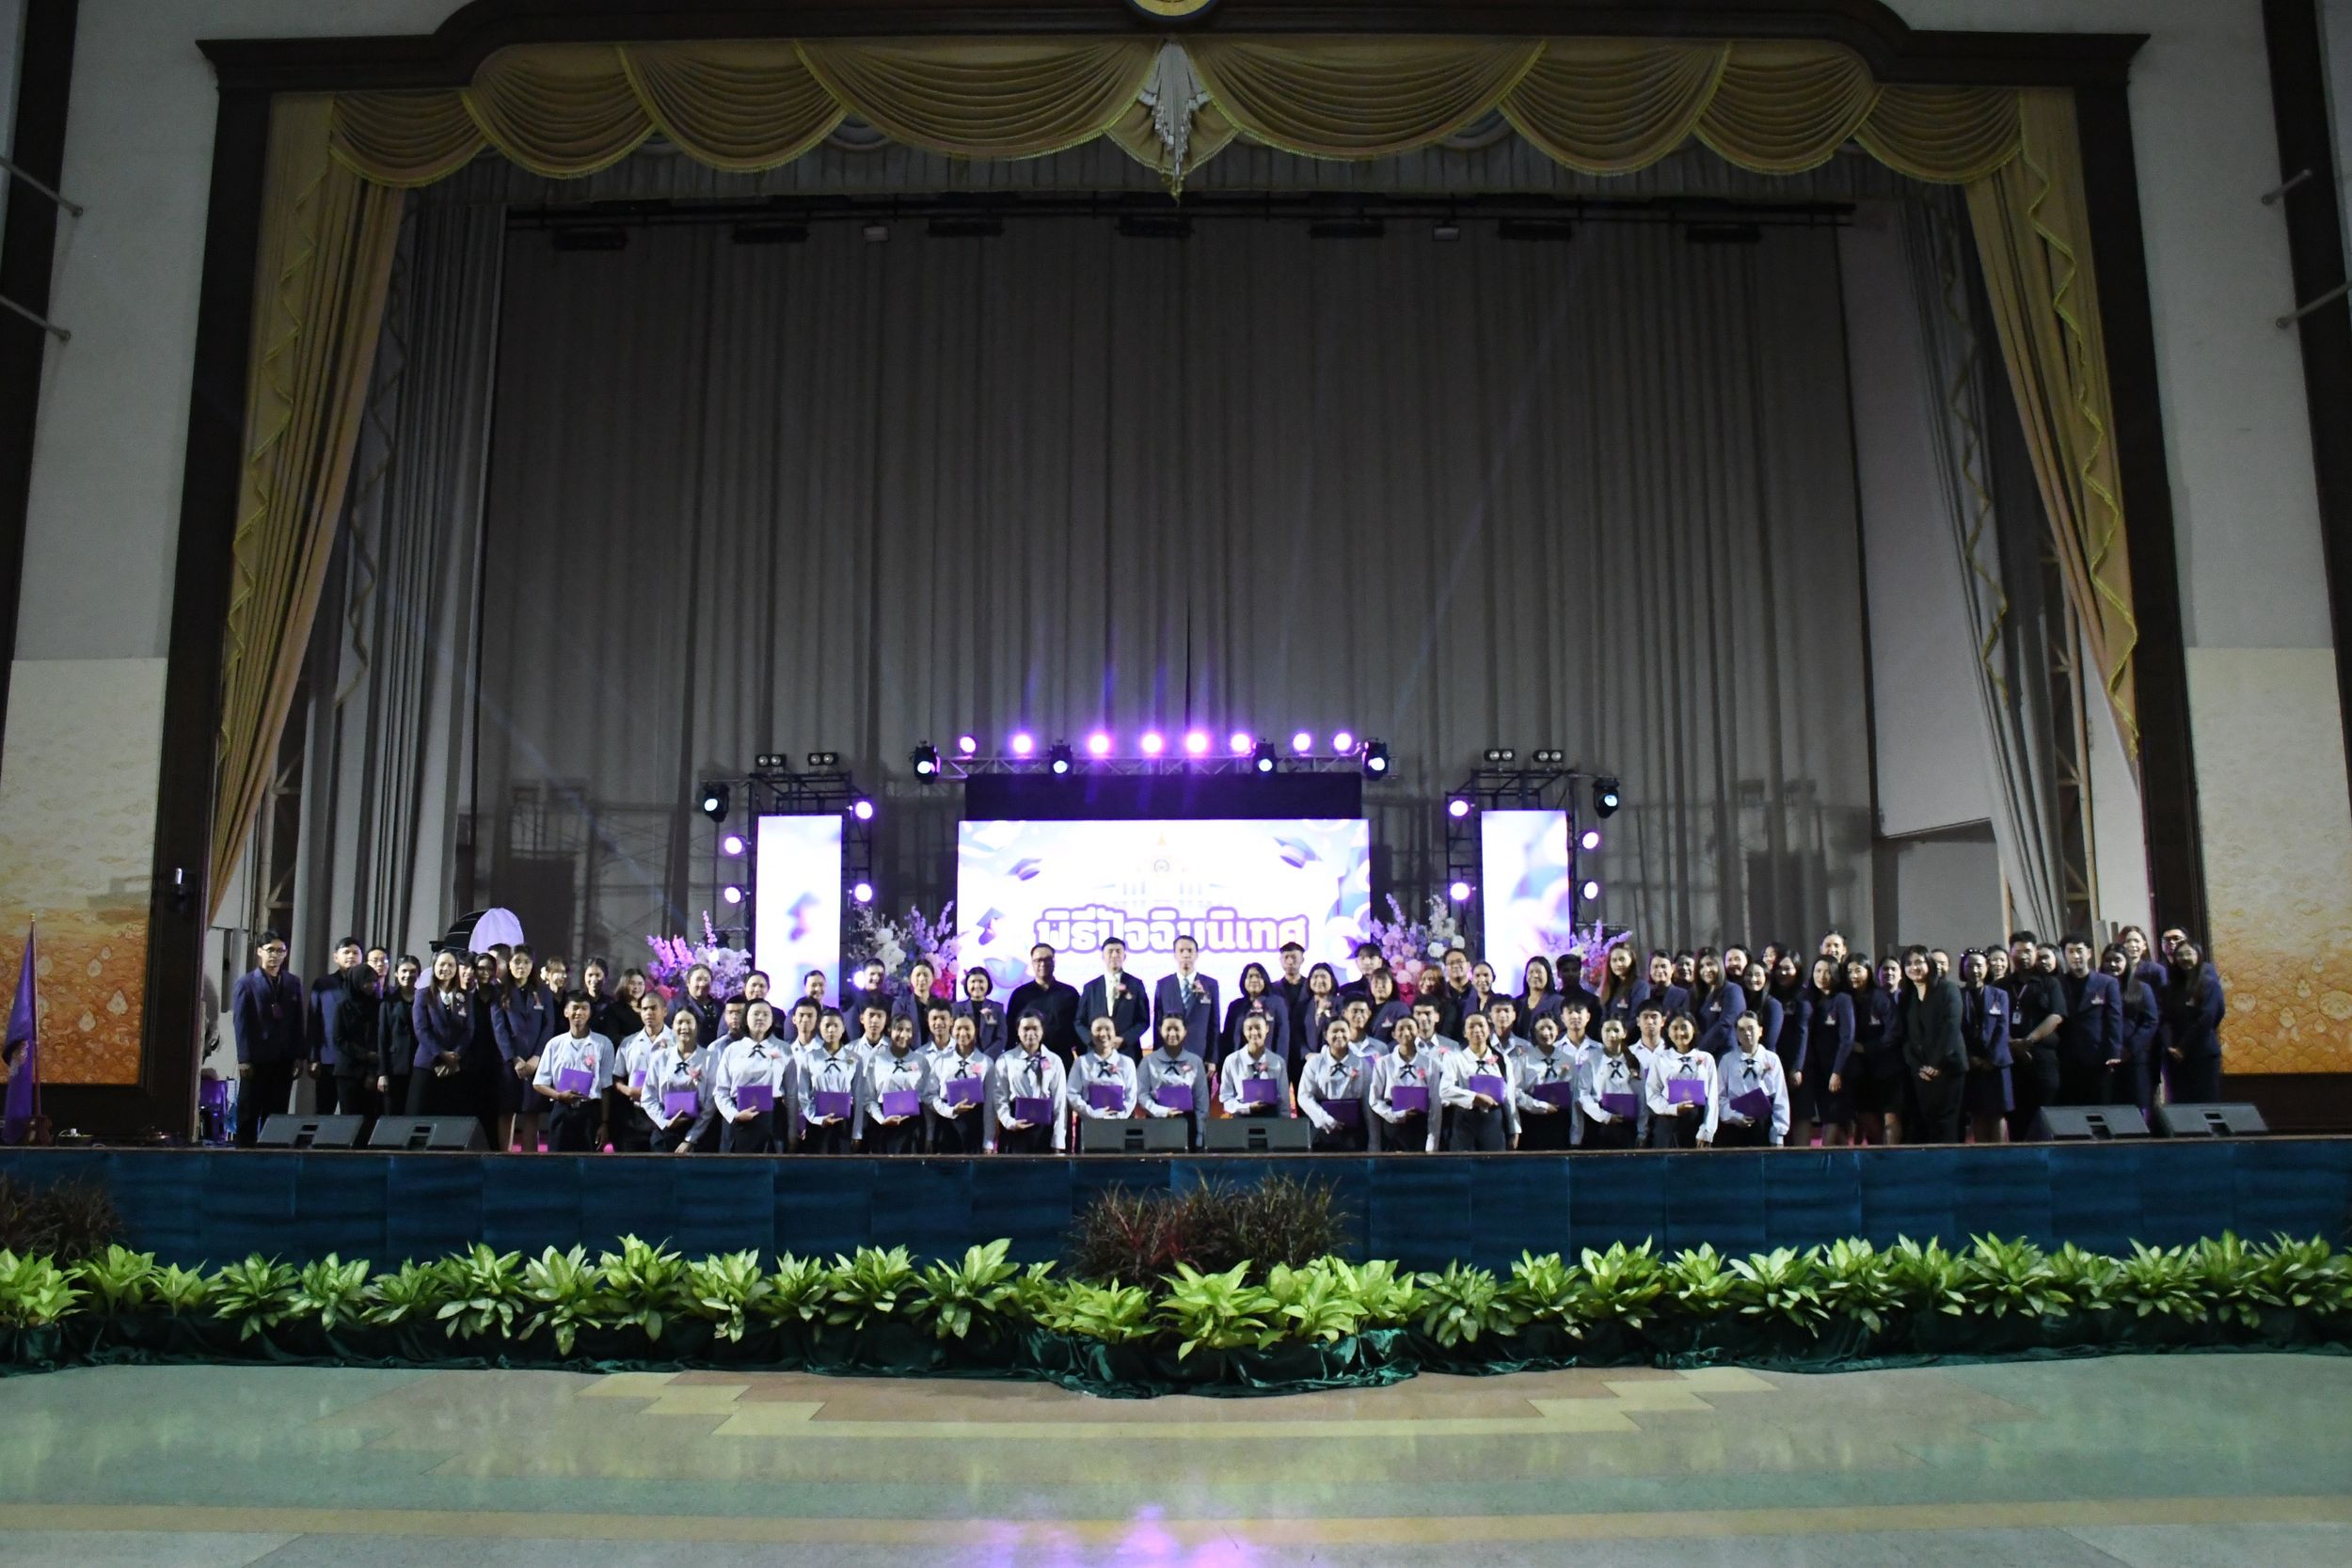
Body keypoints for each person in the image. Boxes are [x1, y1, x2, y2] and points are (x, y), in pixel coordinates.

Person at [230, 929, 306, 1145]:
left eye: (280, 951)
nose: (275, 955)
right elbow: (241, 1024)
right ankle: (244, 1153)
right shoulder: (246, 983)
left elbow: (297, 1021)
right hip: (256, 1058)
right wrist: (244, 1059)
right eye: (270, 950)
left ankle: (273, 1153)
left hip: (283, 1058)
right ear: (259, 952)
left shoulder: (292, 982)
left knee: (277, 1113)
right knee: (249, 1110)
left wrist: (298, 1056)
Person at [2036, 937, 2122, 1107]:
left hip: (2097, 1055)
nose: (2075, 956)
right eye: (2070, 951)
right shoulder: (2056, 983)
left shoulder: (2107, 982)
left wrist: (2114, 1051)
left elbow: (2114, 1019)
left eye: (2079, 951)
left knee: (2100, 1107)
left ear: (2089, 953)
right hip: (2065, 1056)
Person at [1896, 944, 1967, 1144]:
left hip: (1948, 1068)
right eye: (1909, 963)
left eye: (1919, 962)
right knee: (1925, 1126)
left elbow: (1951, 1027)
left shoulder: (1947, 989)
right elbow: (1905, 1036)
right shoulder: (1907, 996)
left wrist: (1935, 1063)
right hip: (1921, 1071)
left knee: (1946, 1126)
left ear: (1929, 963)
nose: (1914, 967)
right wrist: (1917, 1066)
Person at [492, 945, 557, 1155]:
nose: (522, 966)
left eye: (526, 962)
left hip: (535, 1062)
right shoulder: (499, 991)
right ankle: (504, 1156)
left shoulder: (542, 991)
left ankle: (530, 1157)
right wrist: (514, 1059)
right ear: (509, 965)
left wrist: (537, 1057)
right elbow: (499, 1029)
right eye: (517, 961)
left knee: (532, 1112)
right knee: (507, 1110)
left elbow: (548, 1025)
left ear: (532, 965)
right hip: (510, 1062)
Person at [531, 991, 612, 1152]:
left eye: (584, 1008)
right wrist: (559, 1095)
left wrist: (604, 1123)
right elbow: (539, 1083)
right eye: (575, 1008)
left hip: (590, 1112)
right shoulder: (555, 1044)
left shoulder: (603, 1044)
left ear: (590, 1012)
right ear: (566, 1011)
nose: (579, 1012)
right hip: (562, 1110)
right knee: (558, 1162)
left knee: (590, 1162)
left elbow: (606, 1087)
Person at [715, 1000, 793, 1154]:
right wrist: (734, 1115)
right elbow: (720, 1091)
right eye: (755, 1014)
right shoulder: (732, 1050)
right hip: (737, 1118)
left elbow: (792, 1092)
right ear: (746, 1018)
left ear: (772, 1019)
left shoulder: (784, 1049)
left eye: (765, 1014)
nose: (760, 1018)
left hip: (772, 1119)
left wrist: (793, 1128)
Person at [992, 1012, 1069, 1153]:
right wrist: (1009, 1122)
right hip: (1015, 1124)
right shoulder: (1006, 1059)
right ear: (1018, 1031)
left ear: (1042, 1030)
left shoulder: (1054, 1060)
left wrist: (1058, 1140)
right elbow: (999, 1096)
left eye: (1035, 1028)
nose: (1031, 1033)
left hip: (1044, 1127)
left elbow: (1060, 1102)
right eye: (1026, 1029)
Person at [1710, 1013, 1790, 1148]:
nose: (1747, 1033)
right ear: (1736, 1033)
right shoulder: (1727, 1060)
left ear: (1760, 1031)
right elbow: (1719, 1096)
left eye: (1751, 1028)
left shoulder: (1771, 1059)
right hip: (1734, 1125)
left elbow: (1780, 1097)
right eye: (1741, 1029)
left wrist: (1778, 1133)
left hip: (1763, 1124)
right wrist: (1734, 1116)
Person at [1438, 1013, 1517, 1151]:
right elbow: (1444, 1090)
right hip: (1464, 1121)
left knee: (1494, 1163)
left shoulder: (1502, 1060)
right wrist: (1474, 1097)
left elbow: (1509, 1097)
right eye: (1471, 1026)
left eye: (1481, 1025)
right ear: (1464, 1033)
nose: (1477, 1030)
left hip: (1494, 1121)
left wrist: (1514, 1129)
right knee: (1463, 1163)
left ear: (1489, 1030)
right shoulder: (1455, 1058)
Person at [306, 936, 365, 1116]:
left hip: (357, 1060)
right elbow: (314, 1022)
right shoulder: (323, 984)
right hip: (328, 1059)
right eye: (346, 952)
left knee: (354, 1113)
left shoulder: (368, 984)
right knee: (324, 1110)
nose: (351, 956)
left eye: (355, 953)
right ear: (335, 957)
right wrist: (313, 1058)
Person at [641, 1008, 714, 1153]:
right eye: (679, 1022)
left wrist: (690, 1139)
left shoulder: (709, 1059)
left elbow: (710, 1104)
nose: (684, 1027)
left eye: (689, 1022)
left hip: (698, 1131)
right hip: (665, 1130)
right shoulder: (660, 1058)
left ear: (697, 1026)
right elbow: (647, 1097)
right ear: (672, 1026)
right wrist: (665, 1123)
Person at [2161, 940, 2226, 1101]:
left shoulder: (2209, 984)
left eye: (2188, 953)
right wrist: (2170, 1046)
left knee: (2205, 1103)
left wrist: (2183, 1048)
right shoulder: (2172, 988)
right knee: (2180, 1103)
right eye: (2180, 955)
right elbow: (2164, 1019)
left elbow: (2208, 1018)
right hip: (2175, 1057)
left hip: (2202, 1053)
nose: (2184, 958)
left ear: (2199, 955)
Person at [797, 1005, 866, 1154]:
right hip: (817, 1123)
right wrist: (815, 1119)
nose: (831, 1030)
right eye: (827, 1025)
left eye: (836, 1025)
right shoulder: (809, 1058)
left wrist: (857, 1133)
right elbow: (803, 1094)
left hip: (844, 1124)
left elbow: (859, 1097)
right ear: (819, 1027)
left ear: (843, 1028)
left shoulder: (854, 1059)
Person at [1959, 950, 2011, 1145]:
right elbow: (1956, 1030)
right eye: (1970, 966)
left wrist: (1992, 1059)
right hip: (1971, 1063)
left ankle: (2000, 1154)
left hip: (1997, 1063)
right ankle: (1981, 1154)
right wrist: (1969, 1057)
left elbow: (2002, 1028)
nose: (1975, 970)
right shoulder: (1957, 995)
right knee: (1977, 1113)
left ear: (1987, 967)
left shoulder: (2000, 994)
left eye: (1979, 965)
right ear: (1963, 969)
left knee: (1998, 1113)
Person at [609, 990, 673, 1153]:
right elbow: (616, 1077)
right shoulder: (629, 1042)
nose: (649, 1013)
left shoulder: (676, 1041)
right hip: (635, 1115)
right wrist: (628, 1090)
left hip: (665, 1112)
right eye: (645, 1009)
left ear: (665, 1011)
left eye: (653, 1008)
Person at [1802, 956, 1854, 1147]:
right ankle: (1848, 1159)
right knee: (1829, 1119)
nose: (1822, 976)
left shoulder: (1842, 999)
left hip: (1836, 1070)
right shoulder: (1810, 1000)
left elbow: (1847, 1038)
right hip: (1816, 1069)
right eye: (1818, 971)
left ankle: (1823, 1157)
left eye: (1827, 972)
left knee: (1833, 1118)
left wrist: (1837, 1072)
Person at [1644, 1014, 1717, 1149]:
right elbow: (1652, 1095)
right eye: (1675, 1028)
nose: (1680, 1033)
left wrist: (1707, 1129)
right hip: (1668, 1123)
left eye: (1684, 1027)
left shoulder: (1706, 1058)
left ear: (1693, 1029)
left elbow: (1713, 1097)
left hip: (1697, 1123)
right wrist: (1674, 1109)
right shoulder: (1660, 1059)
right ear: (1668, 1032)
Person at [2103, 943, 2159, 1116]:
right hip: (2105, 1058)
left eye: (2117, 960)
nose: (2112, 964)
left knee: (2136, 1108)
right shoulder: (2098, 987)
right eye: (2108, 960)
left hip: (2134, 1058)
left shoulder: (2141, 988)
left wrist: (2130, 1048)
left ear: (2126, 962)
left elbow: (2151, 1021)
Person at [1297, 1018, 1370, 1151]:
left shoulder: (1362, 1064)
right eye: (1335, 1031)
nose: (1339, 1035)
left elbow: (1367, 1101)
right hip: (1322, 1129)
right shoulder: (1314, 1063)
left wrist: (1374, 1140)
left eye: (1343, 1031)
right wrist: (1325, 1119)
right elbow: (1304, 1096)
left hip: (1354, 1130)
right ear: (1326, 1035)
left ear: (1350, 1034)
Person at [1368, 1013, 1438, 1151]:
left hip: (1419, 1124)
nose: (1406, 1033)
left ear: (1418, 1032)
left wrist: (1433, 1141)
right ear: (1394, 1034)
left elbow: (1435, 1103)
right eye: (1401, 1029)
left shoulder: (1429, 1063)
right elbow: (1374, 1100)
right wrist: (1394, 1115)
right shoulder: (1383, 1063)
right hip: (1392, 1123)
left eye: (1410, 1028)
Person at [1508, 1013, 1578, 1151]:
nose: (1546, 1033)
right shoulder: (1524, 1060)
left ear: (1557, 1030)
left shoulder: (1568, 1060)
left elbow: (1575, 1094)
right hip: (1532, 1119)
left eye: (1550, 1028)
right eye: (1541, 1029)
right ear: (1534, 1032)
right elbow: (1515, 1092)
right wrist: (1539, 1106)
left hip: (1560, 1120)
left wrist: (1576, 1132)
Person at [1136, 1016, 1209, 1148]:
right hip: (1157, 1122)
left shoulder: (1195, 1061)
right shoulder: (1148, 1061)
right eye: (1168, 1029)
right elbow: (1142, 1095)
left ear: (1185, 1031)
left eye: (1177, 1029)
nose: (1172, 1034)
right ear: (1160, 1030)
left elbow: (1201, 1101)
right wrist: (1162, 1111)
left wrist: (1200, 1134)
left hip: (1187, 1123)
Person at [866, 1015, 934, 1154]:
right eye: (899, 1029)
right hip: (884, 1123)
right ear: (890, 1030)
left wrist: (929, 1135)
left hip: (913, 1125)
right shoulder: (877, 1060)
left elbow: (927, 1099)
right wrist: (881, 1119)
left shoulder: (920, 1061)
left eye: (908, 1030)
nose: (903, 1035)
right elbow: (868, 1097)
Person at [328, 947, 383, 1122]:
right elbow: (339, 1039)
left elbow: (380, 1036)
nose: (371, 985)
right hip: (348, 1071)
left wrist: (372, 1068)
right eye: (366, 981)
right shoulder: (343, 1006)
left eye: (373, 981)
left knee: (371, 1120)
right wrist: (365, 1055)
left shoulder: (379, 1005)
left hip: (372, 1070)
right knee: (349, 1120)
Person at [1856, 956, 1906, 1145]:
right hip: (1868, 1068)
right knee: (1870, 1118)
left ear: (1901, 973)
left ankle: (1892, 1157)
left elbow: (1895, 1032)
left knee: (1892, 1117)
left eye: (1893, 969)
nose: (1889, 973)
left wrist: (1867, 1048)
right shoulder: (1867, 998)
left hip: (1895, 1068)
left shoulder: (1906, 997)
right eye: (1885, 969)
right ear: (1876, 974)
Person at [929, 1014, 995, 1153]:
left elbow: (990, 1105)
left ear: (975, 1030)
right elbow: (929, 1095)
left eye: (967, 1028)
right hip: (947, 1124)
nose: (963, 1033)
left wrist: (988, 1141)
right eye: (958, 1028)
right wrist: (950, 1110)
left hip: (974, 1126)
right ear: (952, 1030)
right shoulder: (942, 1061)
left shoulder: (986, 1063)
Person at [1005, 944, 1084, 1061]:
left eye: (1047, 960)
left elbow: (1078, 1026)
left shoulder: (1069, 993)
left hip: (1063, 1057)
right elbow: (1010, 1028)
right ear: (1032, 963)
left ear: (1054, 962)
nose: (1043, 964)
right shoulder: (1020, 994)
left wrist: (1082, 1056)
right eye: (1038, 960)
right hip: (1028, 1057)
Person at [1575, 1021, 1646, 1150]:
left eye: (1616, 1030)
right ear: (1601, 1033)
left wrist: (1642, 1130)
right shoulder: (1592, 1060)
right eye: (1607, 1030)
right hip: (1599, 1125)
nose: (1612, 1035)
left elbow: (1642, 1098)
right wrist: (1604, 1116)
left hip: (1627, 1126)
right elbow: (1582, 1094)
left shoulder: (1634, 1062)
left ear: (1624, 1033)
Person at [1077, 940, 1152, 1057]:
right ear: (1103, 956)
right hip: (1096, 1053)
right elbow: (1079, 1021)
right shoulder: (1090, 988)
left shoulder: (1136, 985)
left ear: (1124, 956)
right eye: (1110, 951)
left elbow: (1144, 1020)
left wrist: (1124, 1039)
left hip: (1128, 1052)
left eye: (1118, 951)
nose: (1114, 955)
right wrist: (1093, 1040)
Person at [1069, 1016, 1140, 1131]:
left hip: (1120, 1124)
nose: (1102, 1034)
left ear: (1115, 1033)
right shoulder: (1081, 1062)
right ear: (1091, 1035)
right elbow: (1072, 1094)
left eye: (1108, 1029)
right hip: (1088, 1124)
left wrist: (1117, 1118)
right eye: (1098, 1029)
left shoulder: (1126, 1062)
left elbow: (1131, 1095)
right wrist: (1092, 1114)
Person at [1152, 936, 1221, 1050]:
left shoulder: (1210, 984)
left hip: (1199, 1051)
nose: (1186, 955)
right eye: (1181, 951)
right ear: (1175, 955)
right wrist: (1157, 1054)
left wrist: (1213, 1057)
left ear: (1197, 954)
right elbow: (1158, 1023)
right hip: (1170, 1051)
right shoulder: (1163, 985)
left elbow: (1214, 1024)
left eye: (1190, 950)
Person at [373, 954, 421, 1118]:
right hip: (394, 1067)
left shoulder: (424, 999)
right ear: (396, 973)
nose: (408, 975)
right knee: (392, 1115)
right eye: (404, 971)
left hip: (418, 1066)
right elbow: (382, 1038)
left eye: (413, 971)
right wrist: (382, 1073)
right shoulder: (387, 1002)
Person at [1216, 1013, 1290, 1118]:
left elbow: (1284, 1101)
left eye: (1258, 1028)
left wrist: (1286, 1122)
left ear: (1267, 1028)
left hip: (1271, 1119)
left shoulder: (1278, 1062)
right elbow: (1226, 1098)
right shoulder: (1232, 1061)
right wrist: (1247, 1107)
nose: (1254, 1032)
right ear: (1243, 1031)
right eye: (1249, 1029)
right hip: (1241, 1118)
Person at [1221, 961, 1293, 1065]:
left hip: (1268, 1064)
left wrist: (1280, 1065)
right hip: (1239, 1064)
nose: (1254, 980)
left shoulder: (1277, 1003)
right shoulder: (1235, 1006)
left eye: (1258, 977)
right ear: (1243, 981)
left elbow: (1283, 1038)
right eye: (1250, 976)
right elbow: (1227, 1039)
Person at [1294, 962, 1343, 1088]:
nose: (1319, 980)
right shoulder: (1302, 1007)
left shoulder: (1341, 1004)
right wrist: (1307, 1054)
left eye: (1323, 976)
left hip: (1335, 1064)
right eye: (1315, 977)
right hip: (1307, 1064)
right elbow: (1296, 1035)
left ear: (1332, 980)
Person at [1691, 951, 1745, 1057]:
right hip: (1698, 1054)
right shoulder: (1695, 993)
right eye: (1701, 966)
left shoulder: (1732, 990)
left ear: (1719, 965)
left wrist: (1701, 1050)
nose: (1706, 970)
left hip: (1724, 1054)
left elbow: (1725, 1024)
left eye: (1710, 964)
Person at [954, 968, 1008, 1056]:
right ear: (967, 984)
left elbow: (1001, 1038)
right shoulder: (956, 1008)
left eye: (981, 981)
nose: (977, 985)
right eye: (973, 981)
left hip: (989, 1059)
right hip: (964, 1057)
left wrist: (985, 1058)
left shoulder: (997, 1008)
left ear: (988, 984)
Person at [1514, 957, 1563, 1039]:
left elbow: (1562, 1032)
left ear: (1548, 975)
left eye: (1539, 972)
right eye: (1531, 972)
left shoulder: (1558, 1001)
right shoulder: (1517, 1002)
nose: (1535, 975)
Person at [675, 963, 723, 1046]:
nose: (702, 984)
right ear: (688, 982)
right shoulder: (676, 1004)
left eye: (706, 979)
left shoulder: (719, 1006)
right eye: (698, 979)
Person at [1271, 942, 1311, 1038]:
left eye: (1294, 957)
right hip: (1280, 1038)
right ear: (1280, 960)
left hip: (1306, 1038)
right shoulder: (1272, 989)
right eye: (1286, 957)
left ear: (1302, 960)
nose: (1290, 962)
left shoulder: (1311, 987)